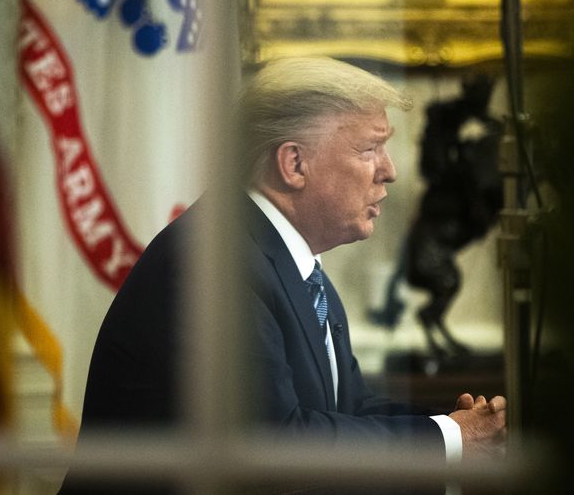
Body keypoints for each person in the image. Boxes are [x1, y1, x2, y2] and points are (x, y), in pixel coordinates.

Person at [58, 56, 506, 495]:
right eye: (370, 149)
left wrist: (452, 427)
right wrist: (448, 441)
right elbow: (271, 447)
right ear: (294, 164)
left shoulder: (297, 267)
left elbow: (347, 408)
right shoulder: (212, 264)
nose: (389, 170)